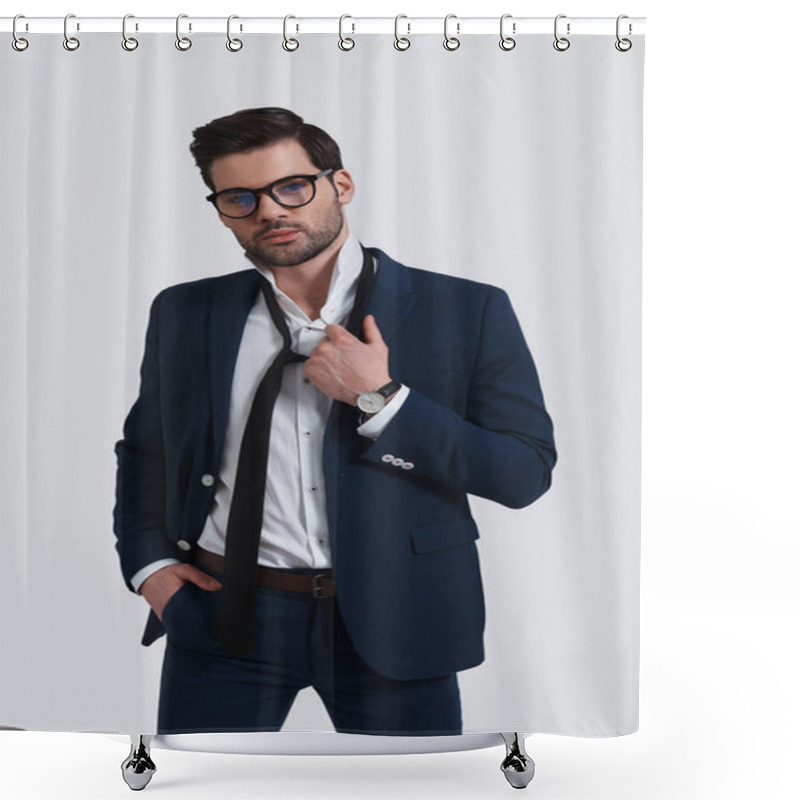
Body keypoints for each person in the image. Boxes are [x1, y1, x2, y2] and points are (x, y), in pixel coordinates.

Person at [113, 107, 556, 736]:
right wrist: (150, 568)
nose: (269, 211)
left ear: (339, 186)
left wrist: (381, 399)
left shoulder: (465, 309)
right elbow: (146, 451)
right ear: (221, 211)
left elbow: (523, 473)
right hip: (223, 614)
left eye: (291, 187)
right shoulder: (187, 311)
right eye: (240, 198)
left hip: (399, 611)